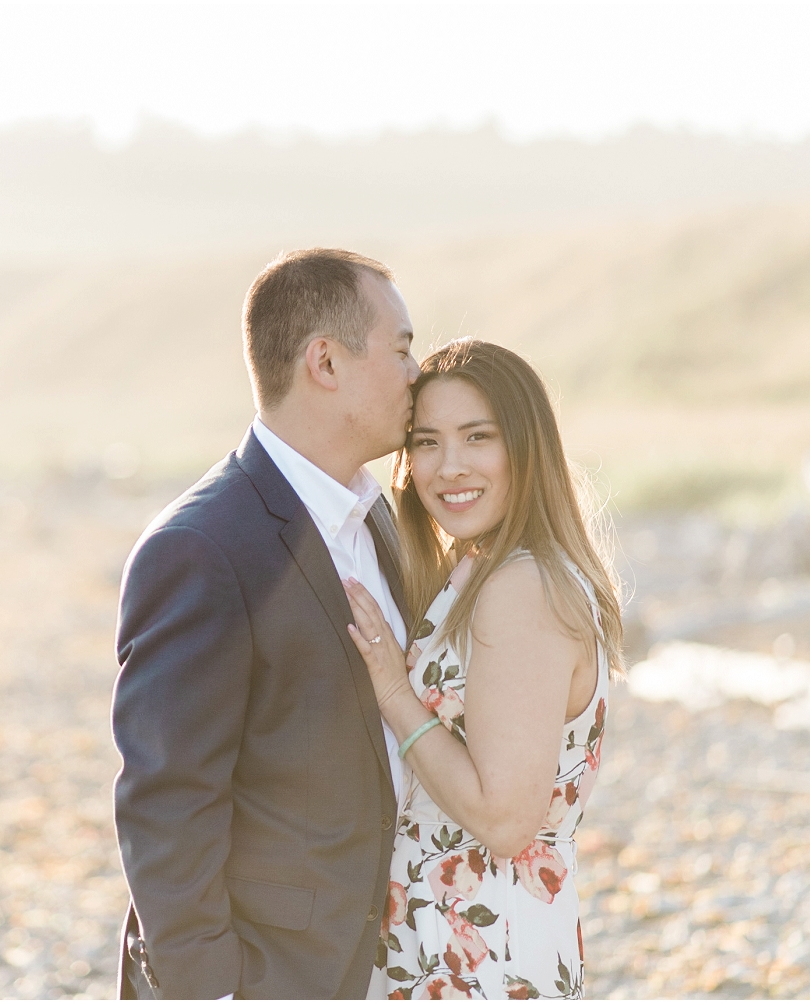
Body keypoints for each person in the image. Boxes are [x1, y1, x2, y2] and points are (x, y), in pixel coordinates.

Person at [112, 248, 420, 998]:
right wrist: (212, 987)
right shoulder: (202, 546)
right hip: (269, 974)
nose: (420, 372)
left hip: (381, 962)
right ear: (325, 362)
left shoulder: (377, 515)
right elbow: (167, 801)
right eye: (403, 348)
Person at [341, 339, 624, 1000]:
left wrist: (392, 690)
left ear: (525, 448)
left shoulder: (521, 586)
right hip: (456, 941)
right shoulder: (485, 568)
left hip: (485, 955)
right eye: (427, 441)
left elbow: (504, 821)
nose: (449, 466)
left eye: (477, 437)